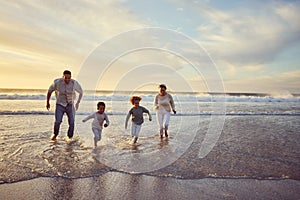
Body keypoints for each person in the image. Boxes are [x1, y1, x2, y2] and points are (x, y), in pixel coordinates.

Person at [46, 70, 83, 141]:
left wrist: (78, 102)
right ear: (62, 77)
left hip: (70, 104)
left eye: (69, 78)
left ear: (71, 77)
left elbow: (81, 92)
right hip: (60, 104)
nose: (67, 80)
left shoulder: (74, 83)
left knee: (72, 122)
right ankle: (55, 134)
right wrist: (48, 102)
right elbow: (49, 91)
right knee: (58, 121)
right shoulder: (57, 82)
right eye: (65, 78)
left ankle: (69, 137)